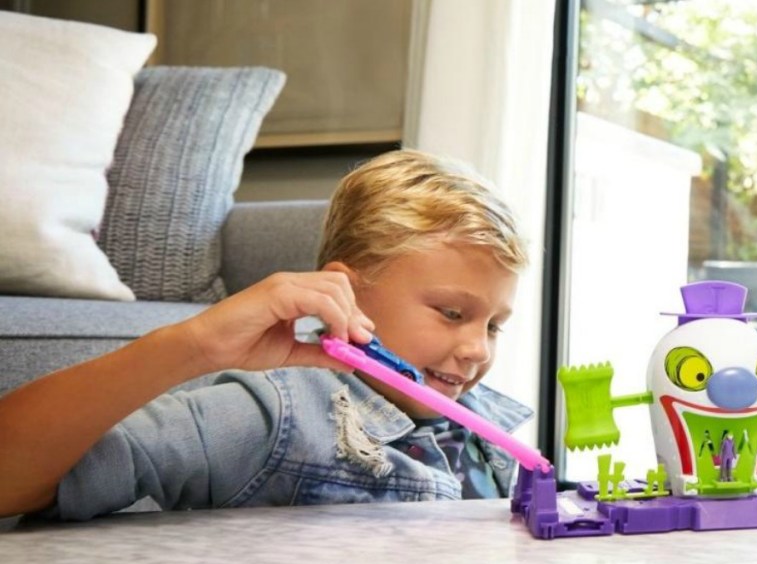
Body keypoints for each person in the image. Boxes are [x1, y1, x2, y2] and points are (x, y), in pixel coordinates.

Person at [0, 149, 532, 520]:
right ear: (346, 293)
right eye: (451, 313)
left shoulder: (491, 435)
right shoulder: (273, 415)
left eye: (494, 326)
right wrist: (195, 344)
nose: (477, 350)